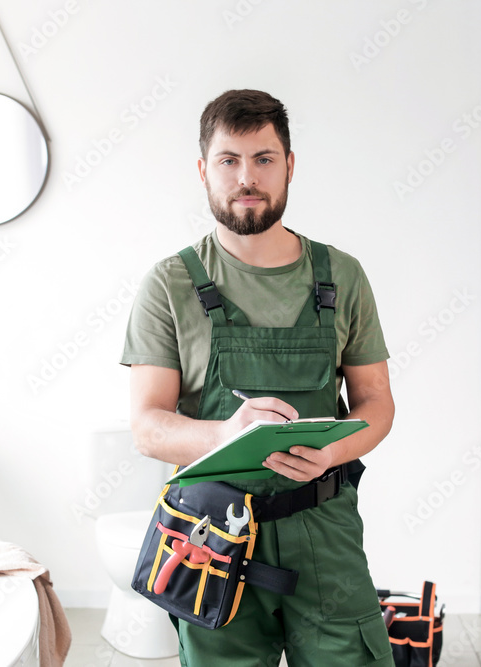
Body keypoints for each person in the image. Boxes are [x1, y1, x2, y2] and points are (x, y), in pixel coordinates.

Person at [121, 89, 395, 666]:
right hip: (210, 534)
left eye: (264, 159)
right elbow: (147, 426)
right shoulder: (169, 284)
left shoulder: (341, 276)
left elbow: (376, 403)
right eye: (229, 160)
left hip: (324, 524)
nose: (247, 177)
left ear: (290, 165)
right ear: (203, 170)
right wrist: (227, 434)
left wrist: (332, 452)